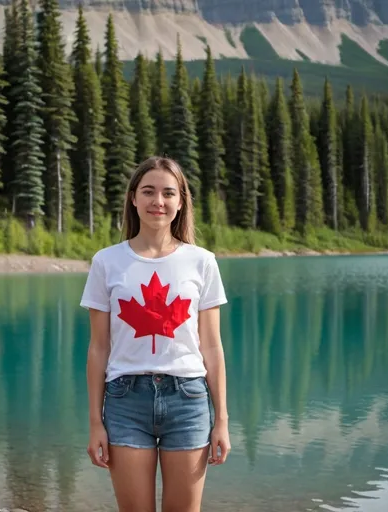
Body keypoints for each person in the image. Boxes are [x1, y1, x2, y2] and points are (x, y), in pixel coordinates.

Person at [80, 156, 230, 512]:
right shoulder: (106, 261)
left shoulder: (202, 261)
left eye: (168, 193)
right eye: (148, 191)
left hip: (189, 400)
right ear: (133, 198)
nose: (157, 201)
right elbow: (99, 349)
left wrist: (221, 419)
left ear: (181, 202)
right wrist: (94, 424)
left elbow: (211, 345)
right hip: (125, 400)